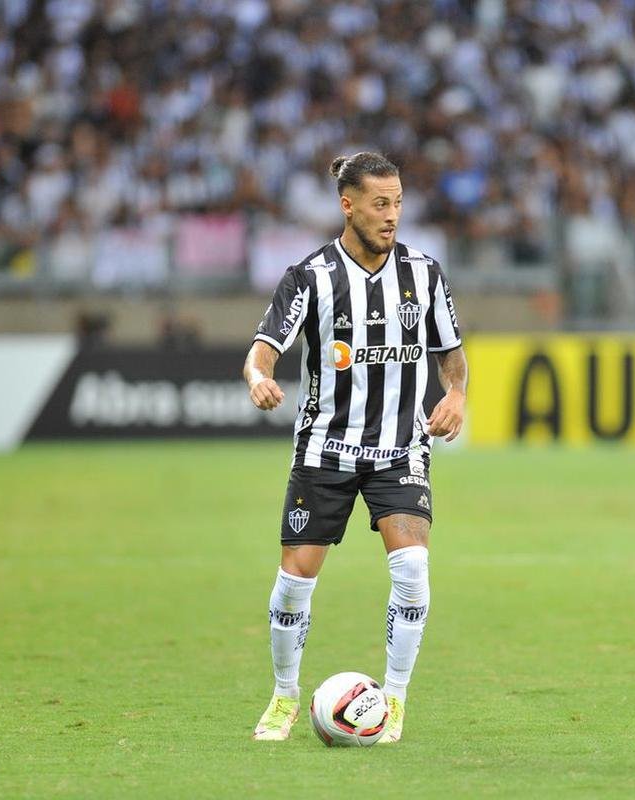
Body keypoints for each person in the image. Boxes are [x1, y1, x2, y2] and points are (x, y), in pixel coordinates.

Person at [243, 152, 468, 744]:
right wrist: (258, 378)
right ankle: (285, 696)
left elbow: (451, 354)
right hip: (325, 449)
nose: (391, 216)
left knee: (414, 568)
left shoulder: (424, 274)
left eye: (397, 203)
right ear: (348, 205)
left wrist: (457, 395)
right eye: (379, 204)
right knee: (295, 581)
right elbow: (264, 347)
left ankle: (392, 700)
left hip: (400, 448)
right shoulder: (311, 276)